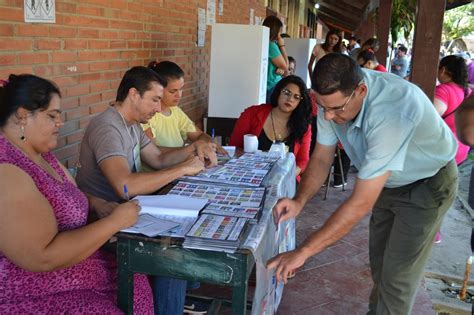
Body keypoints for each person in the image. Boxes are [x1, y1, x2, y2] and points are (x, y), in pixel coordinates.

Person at [267, 54, 458, 315]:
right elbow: (322, 158)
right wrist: (299, 201)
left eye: (337, 109)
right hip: (389, 184)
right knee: (380, 267)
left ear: (361, 90)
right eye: (323, 107)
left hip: (427, 183)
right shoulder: (331, 100)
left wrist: (303, 252)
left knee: (397, 278)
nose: (329, 116)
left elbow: (360, 203)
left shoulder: (392, 111)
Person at [0, 74, 153, 313]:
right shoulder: (7, 171)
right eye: (52, 116)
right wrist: (115, 222)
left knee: (138, 274)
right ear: (22, 116)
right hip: (38, 293)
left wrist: (96, 204)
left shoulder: (40, 154)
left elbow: (67, 195)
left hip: (80, 274)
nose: (60, 123)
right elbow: (42, 257)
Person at [76, 66, 213, 315]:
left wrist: (196, 148)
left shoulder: (131, 125)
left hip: (129, 214)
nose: (159, 108)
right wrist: (183, 169)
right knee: (173, 252)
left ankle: (179, 299)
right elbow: (125, 186)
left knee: (191, 220)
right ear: (133, 94)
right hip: (105, 222)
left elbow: (159, 158)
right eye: (155, 99)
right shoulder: (108, 128)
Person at [229, 75, 312, 182]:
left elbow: (303, 160)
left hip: (285, 181)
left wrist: (288, 175)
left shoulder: (303, 125)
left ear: (301, 101)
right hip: (250, 175)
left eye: (296, 97)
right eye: (286, 92)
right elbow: (234, 146)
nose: (290, 99)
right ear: (278, 92)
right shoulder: (252, 113)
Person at [143, 61, 226, 154]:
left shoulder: (175, 111)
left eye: (181, 89)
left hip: (179, 164)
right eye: (172, 91)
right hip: (163, 168)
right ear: (158, 89)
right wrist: (192, 149)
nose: (179, 95)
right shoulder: (147, 115)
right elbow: (153, 153)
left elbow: (199, 135)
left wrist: (213, 145)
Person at [434, 55, 470, 165]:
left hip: (443, 153)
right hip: (461, 151)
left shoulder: (443, 91)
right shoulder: (466, 91)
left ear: (443, 69)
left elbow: (430, 119)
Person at [263, 15, 289, 101]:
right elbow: (286, 67)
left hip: (268, 85)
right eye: (279, 31)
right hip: (272, 85)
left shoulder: (264, 41)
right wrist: (282, 45)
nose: (280, 34)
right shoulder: (271, 45)